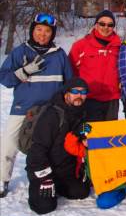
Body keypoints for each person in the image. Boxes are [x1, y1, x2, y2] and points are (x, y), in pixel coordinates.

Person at [0, 13, 72, 198]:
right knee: (9, 143)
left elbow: (69, 82)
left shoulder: (59, 54)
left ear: (52, 34)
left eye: (47, 31)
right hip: (23, 107)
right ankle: (2, 179)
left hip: (50, 109)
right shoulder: (20, 51)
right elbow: (4, 79)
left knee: (51, 145)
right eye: (39, 29)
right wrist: (23, 72)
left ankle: (51, 176)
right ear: (33, 30)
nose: (42, 34)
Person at [25, 77, 91, 214]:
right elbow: (37, 149)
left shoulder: (82, 113)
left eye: (83, 92)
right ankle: (41, 185)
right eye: (75, 91)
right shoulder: (53, 114)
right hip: (44, 167)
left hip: (64, 169)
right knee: (44, 207)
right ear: (66, 93)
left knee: (81, 192)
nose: (79, 96)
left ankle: (59, 185)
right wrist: (44, 177)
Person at [68, 10, 121, 122]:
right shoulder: (80, 45)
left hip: (111, 99)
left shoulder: (119, 47)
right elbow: (70, 72)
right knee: (88, 134)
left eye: (110, 25)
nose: (106, 27)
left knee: (109, 135)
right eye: (102, 24)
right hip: (88, 99)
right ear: (96, 25)